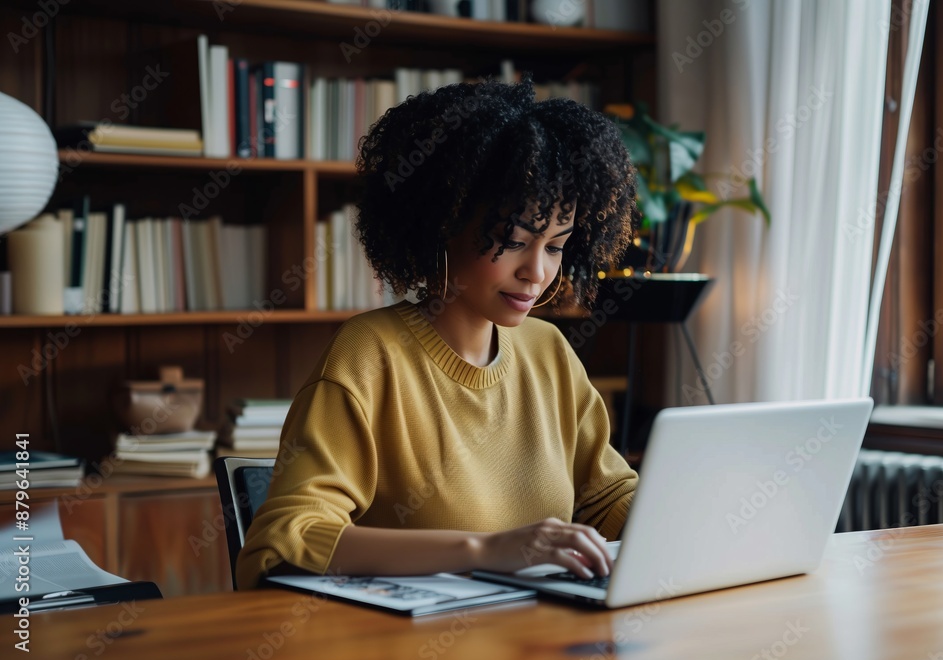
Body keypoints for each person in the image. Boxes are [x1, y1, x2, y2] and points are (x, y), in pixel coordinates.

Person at [236, 75, 640, 591]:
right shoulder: (369, 355)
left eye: (556, 246)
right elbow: (288, 538)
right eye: (512, 241)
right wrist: (487, 550)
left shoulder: (549, 352)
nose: (537, 272)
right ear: (439, 227)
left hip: (536, 640)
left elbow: (606, 499)